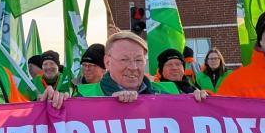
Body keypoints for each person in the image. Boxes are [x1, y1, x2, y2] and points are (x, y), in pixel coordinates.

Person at [76, 32, 207, 103]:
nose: (133, 67)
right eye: (124, 59)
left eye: (138, 60)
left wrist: (200, 104)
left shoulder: (171, 91)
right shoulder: (83, 96)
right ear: (107, 62)